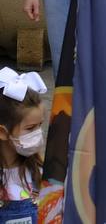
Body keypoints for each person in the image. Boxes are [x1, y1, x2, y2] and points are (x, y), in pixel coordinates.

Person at [0, 69, 45, 224]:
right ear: (3, 132)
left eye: (40, 125)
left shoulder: (40, 171)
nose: (38, 133)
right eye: (30, 128)